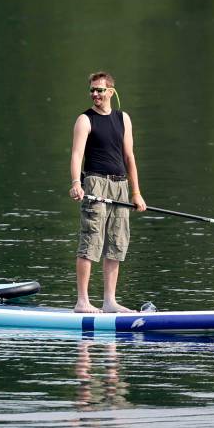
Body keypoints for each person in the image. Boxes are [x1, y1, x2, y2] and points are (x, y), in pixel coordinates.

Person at [69, 71, 147, 313]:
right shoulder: (85, 120)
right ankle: (82, 301)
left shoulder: (123, 119)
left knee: (116, 242)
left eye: (100, 90)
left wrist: (136, 193)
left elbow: (129, 157)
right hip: (95, 183)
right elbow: (76, 155)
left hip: (120, 186)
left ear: (111, 92)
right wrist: (75, 182)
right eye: (92, 90)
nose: (95, 94)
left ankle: (109, 301)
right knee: (91, 240)